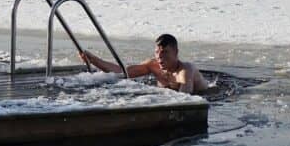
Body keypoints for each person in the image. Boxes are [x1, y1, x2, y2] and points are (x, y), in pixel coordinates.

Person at [79, 33, 209, 94]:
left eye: (164, 52)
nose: (159, 57)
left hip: (207, 98)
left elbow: (185, 100)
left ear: (176, 52)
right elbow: (122, 72)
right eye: (157, 52)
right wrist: (94, 60)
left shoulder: (185, 71)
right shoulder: (153, 65)